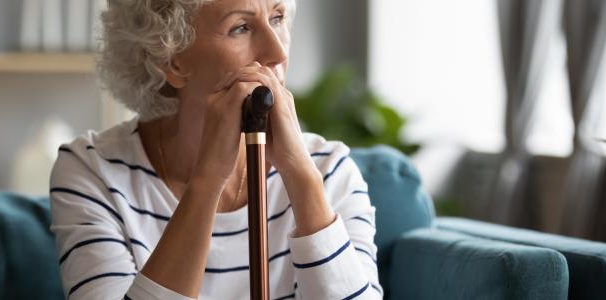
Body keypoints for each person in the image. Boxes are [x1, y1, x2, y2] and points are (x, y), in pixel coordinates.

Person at [49, 0, 382, 299]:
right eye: (241, 27)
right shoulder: (92, 171)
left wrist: (300, 175)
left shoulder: (329, 171)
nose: (277, 52)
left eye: (278, 17)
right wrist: (208, 181)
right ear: (172, 58)